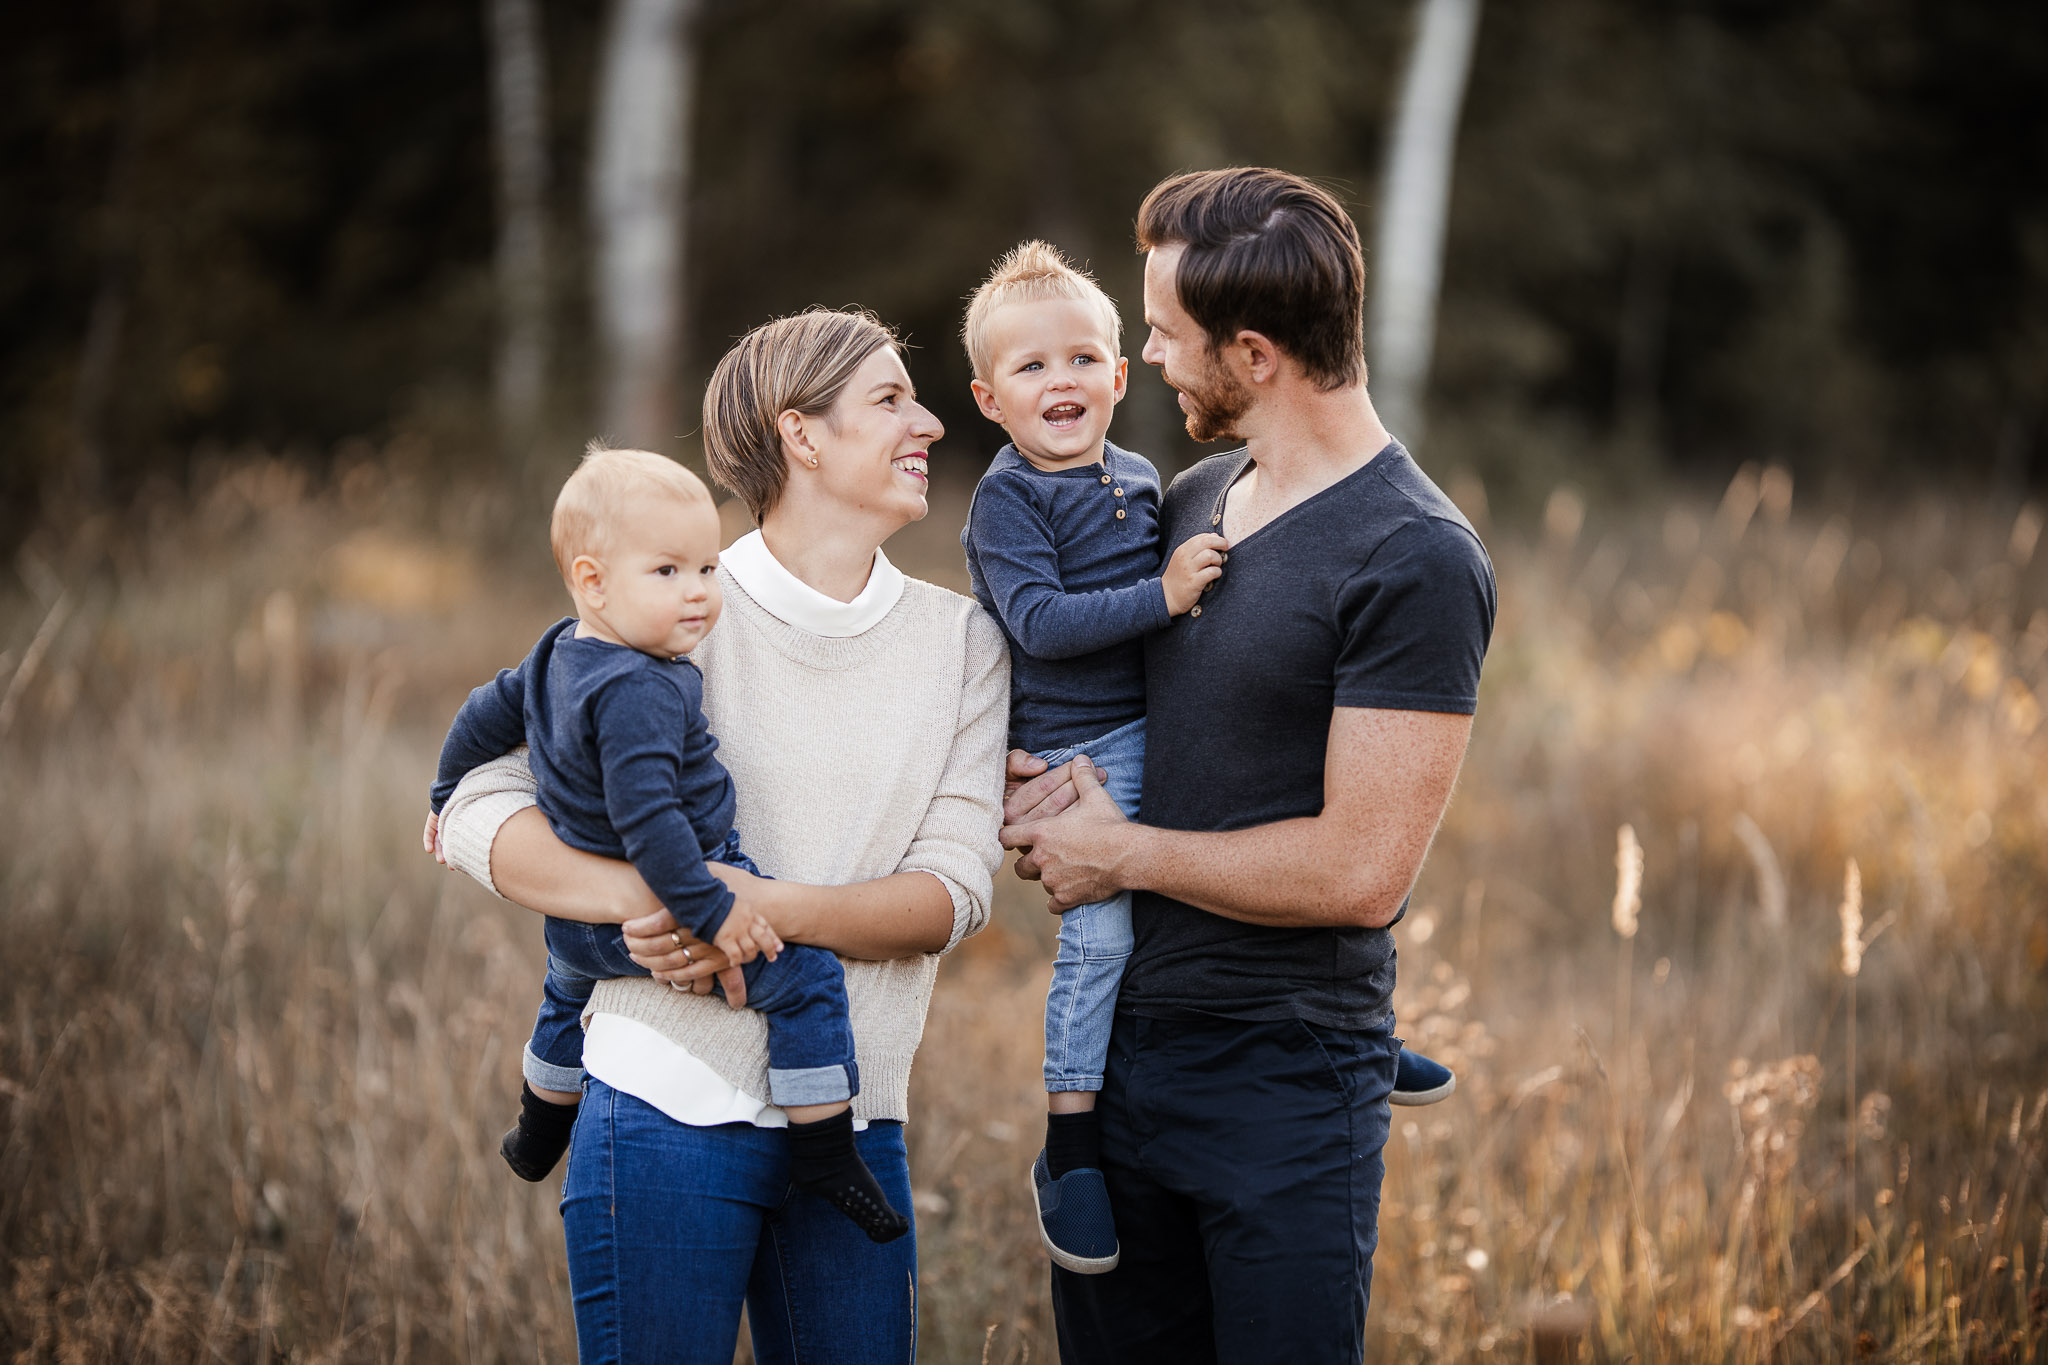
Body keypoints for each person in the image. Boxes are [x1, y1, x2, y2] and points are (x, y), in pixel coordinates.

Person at [425, 308, 1008, 1364]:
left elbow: (955, 893)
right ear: (801, 435)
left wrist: (745, 911)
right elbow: (472, 802)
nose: (925, 419)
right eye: (887, 400)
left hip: (851, 1118)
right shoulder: (679, 596)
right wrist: (642, 901)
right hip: (658, 1105)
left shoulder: (961, 640)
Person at [999, 168, 1497, 1365]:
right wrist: (1044, 792)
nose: (1151, 361)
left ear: (1255, 353)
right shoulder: (1193, 499)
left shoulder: (1412, 556)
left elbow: (1359, 872)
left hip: (1285, 1080)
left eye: (1166, 336)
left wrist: (1116, 853)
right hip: (1123, 1060)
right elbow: (1116, 709)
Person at [426, 446, 906, 1243]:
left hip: (576, 922)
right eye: (668, 572)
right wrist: (713, 909)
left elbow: (482, 713)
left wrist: (445, 794)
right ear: (592, 580)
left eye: (709, 569)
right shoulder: (639, 689)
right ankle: (824, 1146)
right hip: (669, 890)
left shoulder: (555, 655)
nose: (698, 593)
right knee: (807, 977)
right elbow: (651, 820)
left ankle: (539, 1126)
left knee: (562, 998)